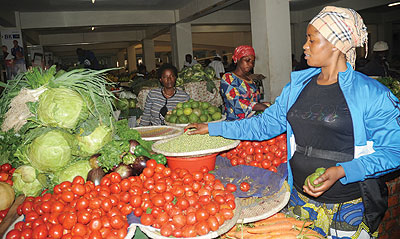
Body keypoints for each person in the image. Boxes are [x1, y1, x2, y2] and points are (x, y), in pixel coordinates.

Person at [186, 6, 400, 239]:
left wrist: (342, 171)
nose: (304, 46)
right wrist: (213, 127)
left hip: (348, 205)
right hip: (299, 198)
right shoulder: (297, 87)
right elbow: (263, 125)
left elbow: (395, 151)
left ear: (338, 45)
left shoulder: (371, 93)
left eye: (312, 39)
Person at [220, 45, 268, 121]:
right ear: (238, 59)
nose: (251, 64)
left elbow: (254, 101)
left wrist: (266, 105)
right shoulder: (228, 78)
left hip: (251, 122)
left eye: (253, 62)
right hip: (235, 123)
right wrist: (262, 107)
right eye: (247, 60)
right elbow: (236, 102)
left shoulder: (250, 80)